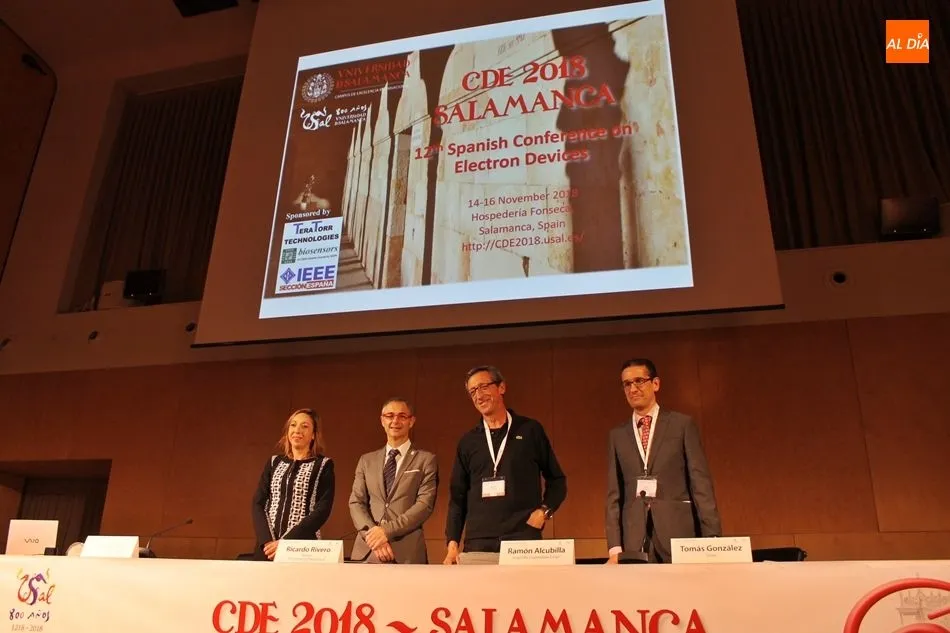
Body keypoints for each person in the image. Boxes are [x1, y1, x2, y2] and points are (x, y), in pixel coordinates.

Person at [444, 365, 567, 564]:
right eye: (473, 391)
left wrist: (544, 511)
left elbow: (558, 480)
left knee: (524, 595)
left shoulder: (530, 430)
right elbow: (457, 498)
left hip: (523, 538)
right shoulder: (468, 442)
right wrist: (452, 544)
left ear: (501, 388)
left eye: (483, 387)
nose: (479, 395)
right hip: (478, 543)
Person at [605, 359, 721, 564]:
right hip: (635, 539)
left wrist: (712, 540)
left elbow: (700, 483)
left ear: (655, 384)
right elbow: (614, 494)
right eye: (627, 384)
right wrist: (615, 546)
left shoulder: (681, 425)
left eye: (639, 381)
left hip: (678, 534)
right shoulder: (617, 435)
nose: (633, 388)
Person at [349, 397, 438, 564]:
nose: (395, 421)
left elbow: (424, 505)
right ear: (382, 420)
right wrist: (373, 537)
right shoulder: (366, 460)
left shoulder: (426, 460)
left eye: (402, 416)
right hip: (368, 551)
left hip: (407, 553)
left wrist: (386, 531)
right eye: (390, 415)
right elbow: (356, 502)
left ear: (411, 421)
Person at [251, 408, 335, 561]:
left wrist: (286, 544)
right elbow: (258, 503)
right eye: (293, 425)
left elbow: (322, 509)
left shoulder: (323, 465)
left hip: (302, 547)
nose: (297, 430)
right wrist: (267, 541)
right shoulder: (273, 462)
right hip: (267, 548)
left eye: (305, 426)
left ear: (313, 435)